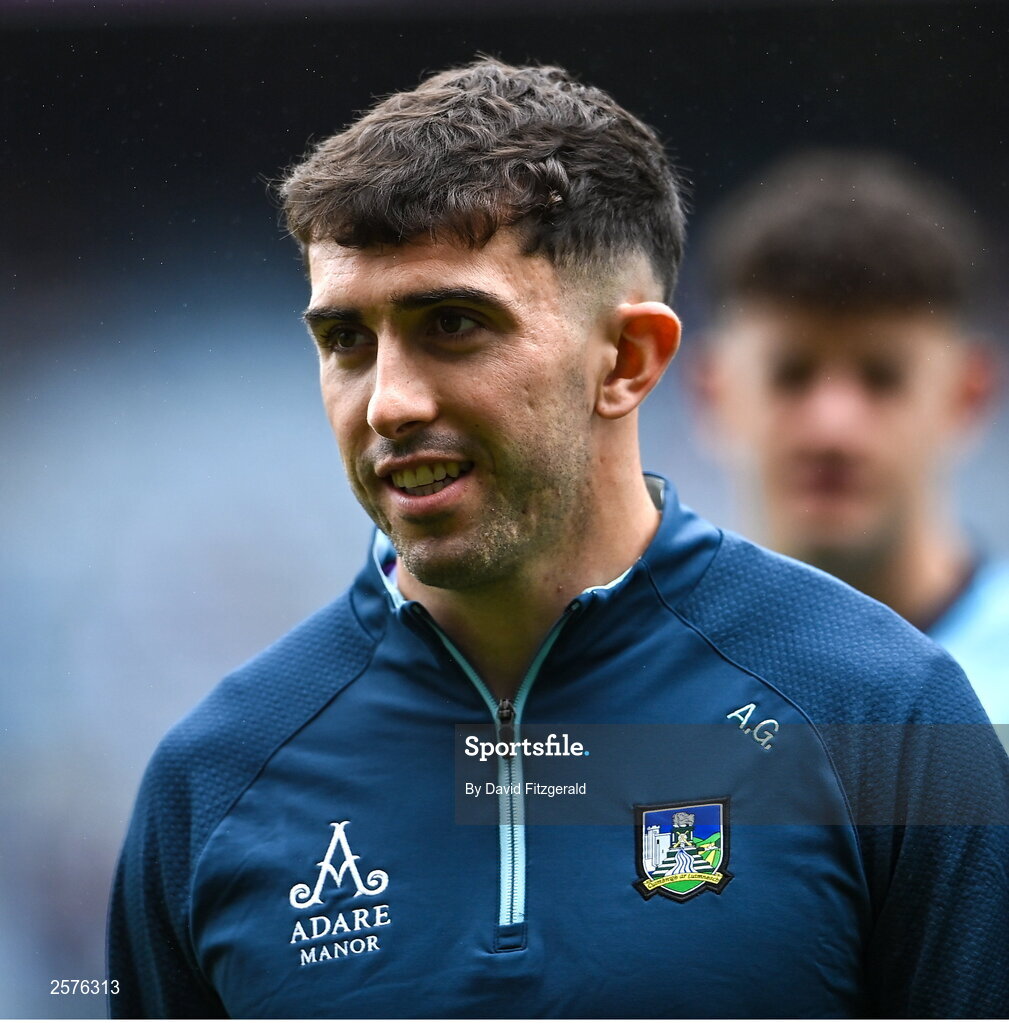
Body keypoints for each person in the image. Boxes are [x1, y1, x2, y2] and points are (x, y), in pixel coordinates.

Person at [108, 62, 1009, 1018]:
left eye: (452, 324)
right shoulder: (213, 779)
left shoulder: (890, 716)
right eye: (346, 341)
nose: (389, 403)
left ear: (626, 361)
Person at [693, 150, 1008, 748]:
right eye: (791, 374)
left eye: (883, 377)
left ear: (967, 397)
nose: (832, 429)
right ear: (714, 393)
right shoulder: (635, 682)